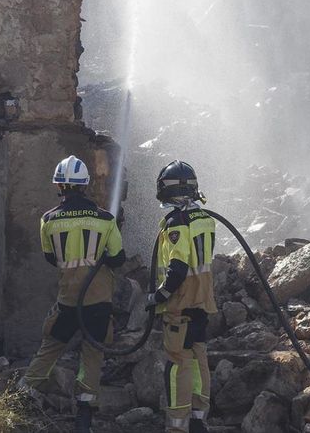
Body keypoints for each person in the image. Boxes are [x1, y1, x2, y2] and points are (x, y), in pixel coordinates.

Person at [19, 154, 124, 433]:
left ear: (59, 185)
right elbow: (117, 259)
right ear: (85, 184)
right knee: (92, 355)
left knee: (51, 346)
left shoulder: (48, 220)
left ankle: (22, 395)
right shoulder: (105, 219)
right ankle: (84, 418)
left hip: (67, 300)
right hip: (98, 302)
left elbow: (51, 257)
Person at [148, 160, 218, 433]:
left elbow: (176, 268)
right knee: (199, 361)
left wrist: (159, 296)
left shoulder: (176, 223)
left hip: (180, 304)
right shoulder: (205, 218)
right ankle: (199, 421)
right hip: (202, 302)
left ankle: (177, 426)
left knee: (178, 364)